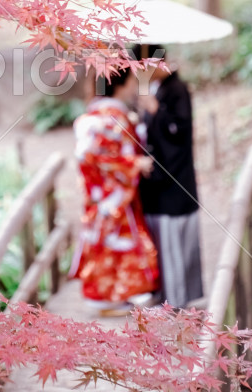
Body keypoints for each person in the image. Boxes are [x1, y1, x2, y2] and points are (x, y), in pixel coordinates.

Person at [69, 65, 160, 315]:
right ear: (119, 84)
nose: (134, 86)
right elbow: (98, 155)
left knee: (106, 241)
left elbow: (90, 155)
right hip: (114, 194)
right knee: (116, 242)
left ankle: (109, 296)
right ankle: (110, 297)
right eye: (131, 81)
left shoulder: (95, 114)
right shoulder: (115, 117)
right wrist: (134, 164)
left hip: (101, 192)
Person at [134, 44, 203, 309]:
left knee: (175, 246)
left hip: (175, 180)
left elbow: (179, 132)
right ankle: (167, 297)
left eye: (143, 66)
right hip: (157, 180)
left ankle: (176, 302)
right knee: (162, 245)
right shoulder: (156, 89)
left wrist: (157, 112)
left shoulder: (177, 89)